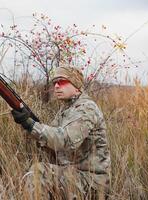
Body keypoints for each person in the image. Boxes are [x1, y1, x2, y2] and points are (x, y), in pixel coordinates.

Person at [11, 65, 111, 199]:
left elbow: (65, 140)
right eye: (55, 83)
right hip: (74, 176)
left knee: (39, 172)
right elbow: (49, 142)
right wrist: (27, 124)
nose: (57, 86)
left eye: (62, 81)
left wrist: (31, 124)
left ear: (76, 85)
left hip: (92, 183)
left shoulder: (86, 108)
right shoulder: (66, 109)